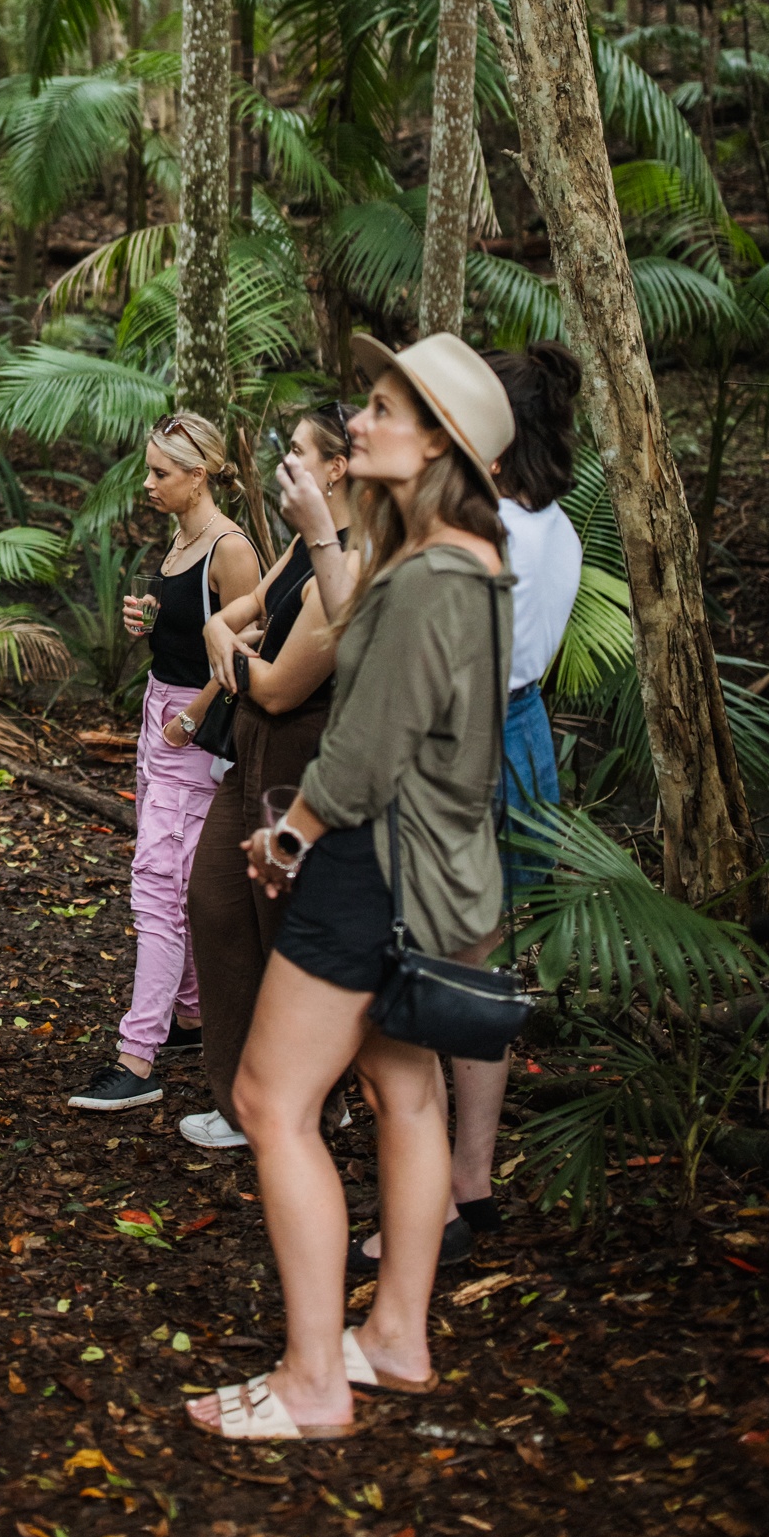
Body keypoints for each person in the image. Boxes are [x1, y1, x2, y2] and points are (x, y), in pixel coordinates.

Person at [186, 333, 515, 1441]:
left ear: (437, 446)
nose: (359, 424)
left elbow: (366, 747)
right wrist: (328, 540)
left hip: (367, 864)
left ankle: (315, 1379)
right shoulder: (464, 562)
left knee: (272, 1102)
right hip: (431, 872)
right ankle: (397, 1339)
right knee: (403, 1093)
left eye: (382, 410)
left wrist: (292, 836)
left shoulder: (430, 577)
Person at [348, 340, 582, 1269]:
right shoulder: (554, 528)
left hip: (462, 743)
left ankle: (428, 1203)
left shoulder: (480, 537)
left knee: (417, 976)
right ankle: (470, 1182)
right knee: (477, 976)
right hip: (525, 737)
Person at [69, 413, 260, 1112]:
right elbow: (190, 629)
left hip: (193, 729)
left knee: (156, 885)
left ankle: (136, 1057)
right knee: (170, 877)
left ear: (198, 476)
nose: (147, 484)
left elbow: (253, 641)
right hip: (160, 714)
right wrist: (147, 623)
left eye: (160, 473)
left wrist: (196, 713)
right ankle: (188, 1019)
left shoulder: (231, 548)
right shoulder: (183, 537)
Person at [181, 405, 355, 1152]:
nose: (285, 462)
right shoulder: (296, 545)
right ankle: (243, 1095)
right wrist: (226, 635)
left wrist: (233, 654)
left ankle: (315, 1100)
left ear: (337, 468)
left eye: (298, 451)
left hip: (299, 757)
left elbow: (283, 685)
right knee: (215, 901)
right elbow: (234, 618)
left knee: (284, 926)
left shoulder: (350, 561)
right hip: (247, 747)